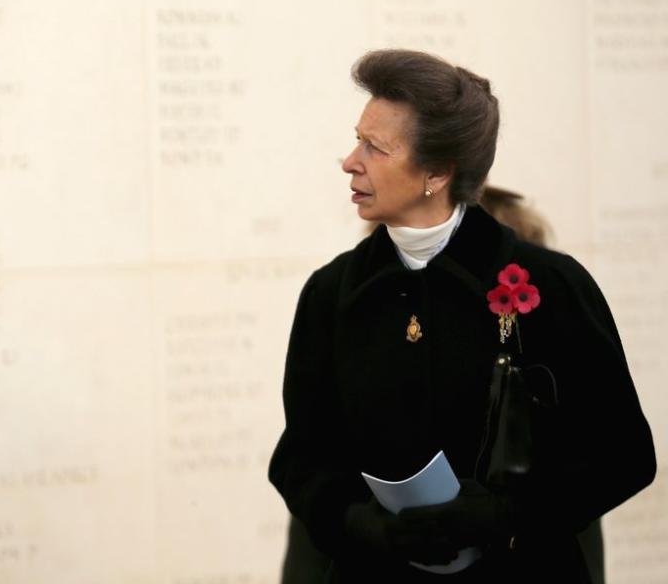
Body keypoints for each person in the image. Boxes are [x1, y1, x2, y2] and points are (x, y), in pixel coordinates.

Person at [268, 49, 656, 583]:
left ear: (438, 171)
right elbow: (300, 458)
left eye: (374, 148)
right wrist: (359, 523)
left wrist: (503, 517)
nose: (350, 161)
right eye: (357, 139)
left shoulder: (550, 284)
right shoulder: (331, 293)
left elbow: (622, 456)